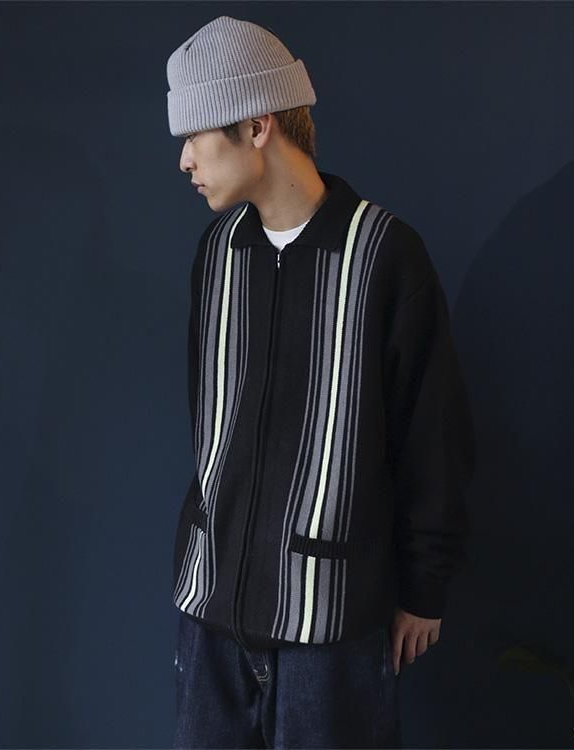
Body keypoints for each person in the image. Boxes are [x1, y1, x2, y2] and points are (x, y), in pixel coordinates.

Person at [165, 15, 476, 750]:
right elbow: (209, 424)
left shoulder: (384, 255)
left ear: (257, 125)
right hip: (209, 622)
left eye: (196, 135)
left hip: (331, 630)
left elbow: (432, 433)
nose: (184, 160)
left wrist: (424, 587)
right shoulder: (218, 251)